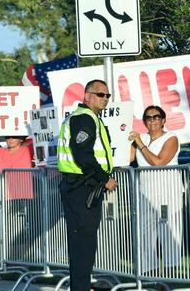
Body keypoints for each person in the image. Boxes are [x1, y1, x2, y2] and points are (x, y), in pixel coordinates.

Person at [56, 79, 117, 291]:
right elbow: (83, 154)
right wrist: (104, 178)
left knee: (81, 244)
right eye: (100, 94)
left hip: (78, 187)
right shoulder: (85, 118)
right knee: (84, 245)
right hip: (83, 188)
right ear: (87, 96)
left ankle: (80, 286)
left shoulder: (86, 118)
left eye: (107, 95)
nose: (105, 99)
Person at [128, 105, 183, 275]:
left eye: (156, 116)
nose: (152, 120)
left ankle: (170, 279)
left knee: (169, 234)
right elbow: (127, 159)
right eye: (148, 117)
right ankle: (148, 277)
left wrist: (140, 144)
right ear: (144, 121)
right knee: (144, 236)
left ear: (163, 120)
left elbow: (158, 162)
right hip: (145, 193)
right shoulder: (140, 138)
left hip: (168, 192)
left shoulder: (171, 138)